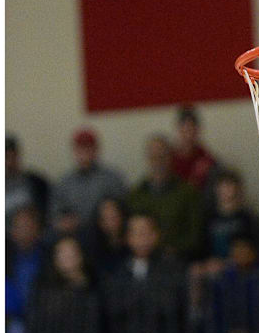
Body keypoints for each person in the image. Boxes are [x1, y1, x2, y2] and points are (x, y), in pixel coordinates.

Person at [26, 236, 102, 333]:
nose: (67, 258)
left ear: (81, 255)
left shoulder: (95, 291)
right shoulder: (42, 292)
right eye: (62, 253)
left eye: (72, 253)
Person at [128, 134, 204, 262]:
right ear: (147, 159)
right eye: (153, 157)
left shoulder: (188, 193)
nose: (157, 162)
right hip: (143, 260)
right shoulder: (136, 194)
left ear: (170, 158)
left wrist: (173, 248)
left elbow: (196, 235)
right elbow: (130, 233)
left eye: (161, 156)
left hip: (178, 259)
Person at [50, 127, 127, 225]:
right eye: (80, 148)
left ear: (96, 149)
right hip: (76, 234)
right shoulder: (64, 183)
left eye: (88, 148)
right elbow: (55, 214)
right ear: (74, 151)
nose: (84, 152)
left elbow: (123, 211)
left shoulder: (112, 178)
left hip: (104, 234)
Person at [5, 135, 50, 232]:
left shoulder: (37, 183)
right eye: (6, 157)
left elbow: (46, 214)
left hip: (35, 236)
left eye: (12, 156)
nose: (9, 162)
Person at [172, 105, 217, 189]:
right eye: (185, 130)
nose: (188, 135)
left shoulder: (205, 159)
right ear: (179, 130)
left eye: (191, 129)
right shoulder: (170, 159)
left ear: (197, 130)